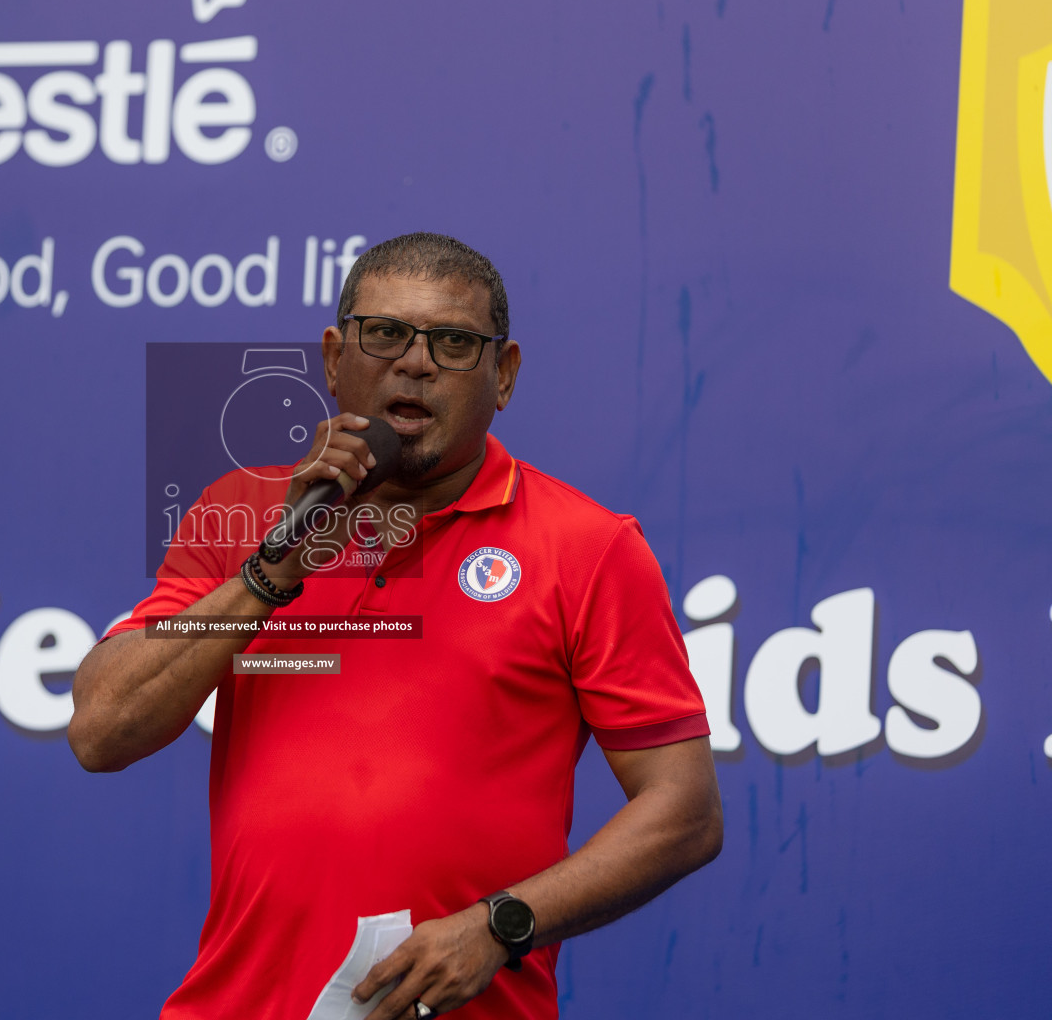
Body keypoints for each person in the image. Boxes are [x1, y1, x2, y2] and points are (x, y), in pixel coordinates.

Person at [69, 233, 722, 1020]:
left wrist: (500, 926)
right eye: (385, 335)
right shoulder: (242, 507)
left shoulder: (589, 547)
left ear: (504, 374)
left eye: (453, 344)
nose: (414, 363)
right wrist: (275, 566)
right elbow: (102, 729)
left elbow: (684, 812)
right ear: (334, 357)